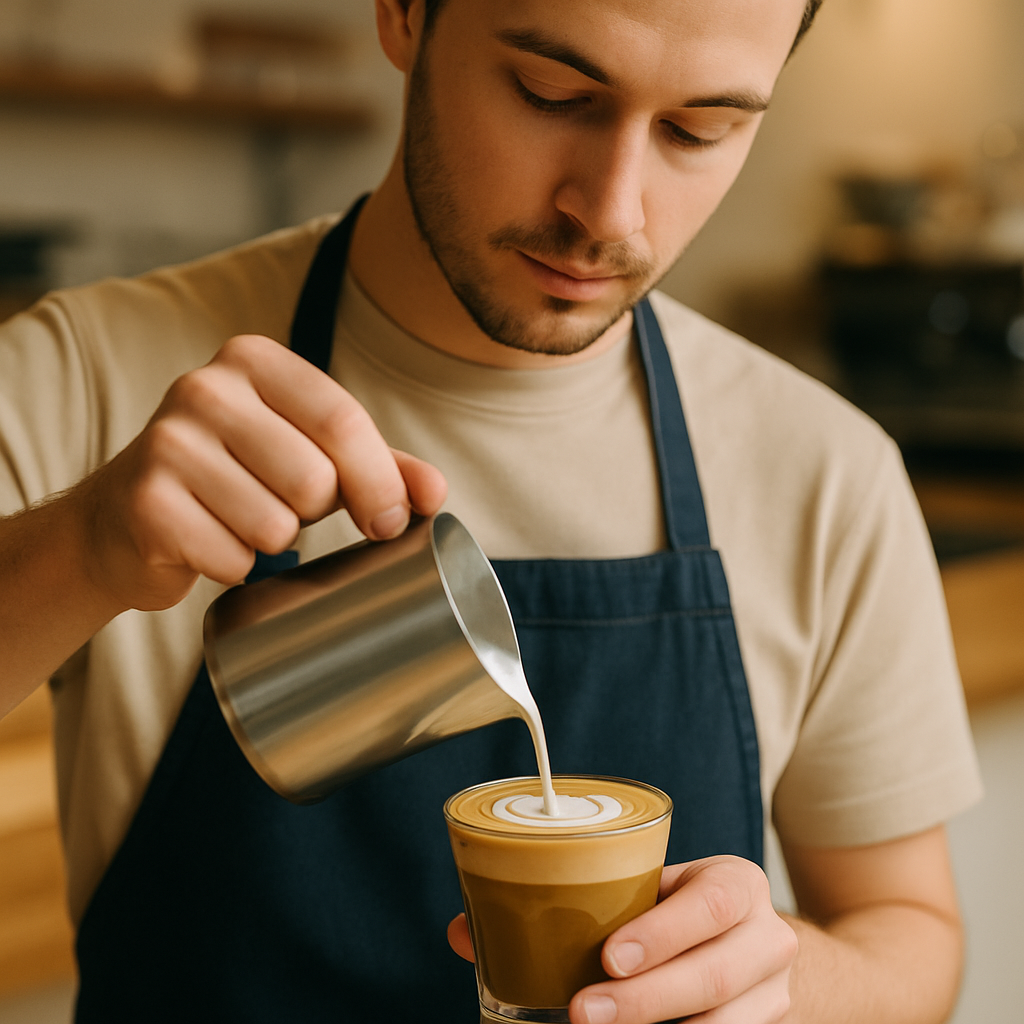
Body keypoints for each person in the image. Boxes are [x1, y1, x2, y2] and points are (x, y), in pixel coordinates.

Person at [0, 0, 982, 1021]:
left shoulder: (825, 471)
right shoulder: (86, 375)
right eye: (551, 93)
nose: (611, 213)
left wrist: (787, 978)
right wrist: (82, 545)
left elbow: (909, 935)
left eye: (700, 129)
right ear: (403, 15)